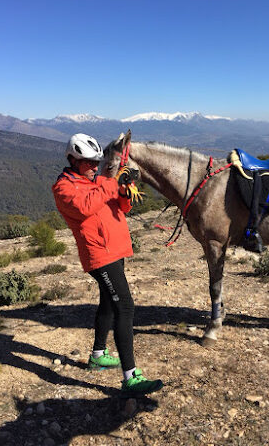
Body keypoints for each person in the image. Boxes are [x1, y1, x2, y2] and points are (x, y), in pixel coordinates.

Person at [52, 133, 163, 396]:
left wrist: (125, 191)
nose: (93, 167)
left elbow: (121, 208)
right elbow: (85, 206)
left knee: (108, 302)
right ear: (72, 159)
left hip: (116, 250)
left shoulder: (98, 180)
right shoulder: (63, 187)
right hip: (100, 255)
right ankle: (130, 378)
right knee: (124, 306)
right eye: (88, 162)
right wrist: (114, 184)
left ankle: (98, 355)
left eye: (95, 162)